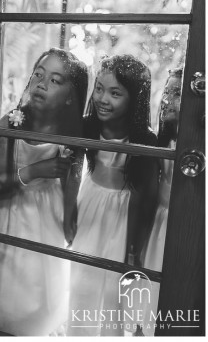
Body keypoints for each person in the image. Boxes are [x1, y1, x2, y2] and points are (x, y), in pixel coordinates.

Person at [0, 48, 88, 336]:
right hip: (9, 209)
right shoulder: (11, 122)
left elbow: (73, 177)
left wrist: (70, 214)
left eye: (56, 81)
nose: (42, 84)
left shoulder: (70, 133)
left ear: (71, 96)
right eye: (39, 74)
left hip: (47, 213)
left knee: (41, 283)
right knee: (8, 280)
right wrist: (34, 172)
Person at [67, 54, 158, 336]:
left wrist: (135, 245)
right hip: (91, 202)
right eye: (99, 89)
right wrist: (69, 209)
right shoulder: (87, 126)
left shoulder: (145, 140)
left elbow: (146, 195)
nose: (103, 98)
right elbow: (72, 167)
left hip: (122, 212)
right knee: (83, 277)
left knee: (112, 287)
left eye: (115, 93)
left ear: (136, 100)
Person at [135, 68, 182, 336]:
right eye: (167, 91)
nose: (167, 99)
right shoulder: (161, 143)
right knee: (148, 295)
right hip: (157, 224)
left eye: (176, 93)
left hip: (178, 225)